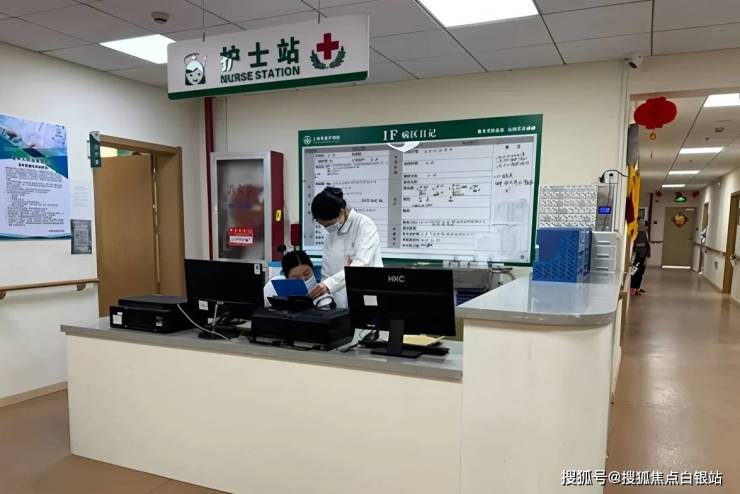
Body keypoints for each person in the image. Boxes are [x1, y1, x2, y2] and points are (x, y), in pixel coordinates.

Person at [307, 186, 383, 308]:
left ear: (342, 212)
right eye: (324, 226)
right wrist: (324, 301)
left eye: (329, 224)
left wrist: (328, 285)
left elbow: (361, 265)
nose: (327, 229)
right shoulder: (330, 234)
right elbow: (327, 273)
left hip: (367, 296)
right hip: (339, 304)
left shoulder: (364, 225)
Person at [631, 220, 651, 296]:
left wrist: (647, 256)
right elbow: (639, 247)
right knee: (636, 273)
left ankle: (637, 288)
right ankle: (634, 288)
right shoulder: (639, 234)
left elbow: (647, 246)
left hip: (643, 257)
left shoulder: (645, 233)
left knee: (640, 273)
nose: (646, 227)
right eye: (646, 226)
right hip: (639, 257)